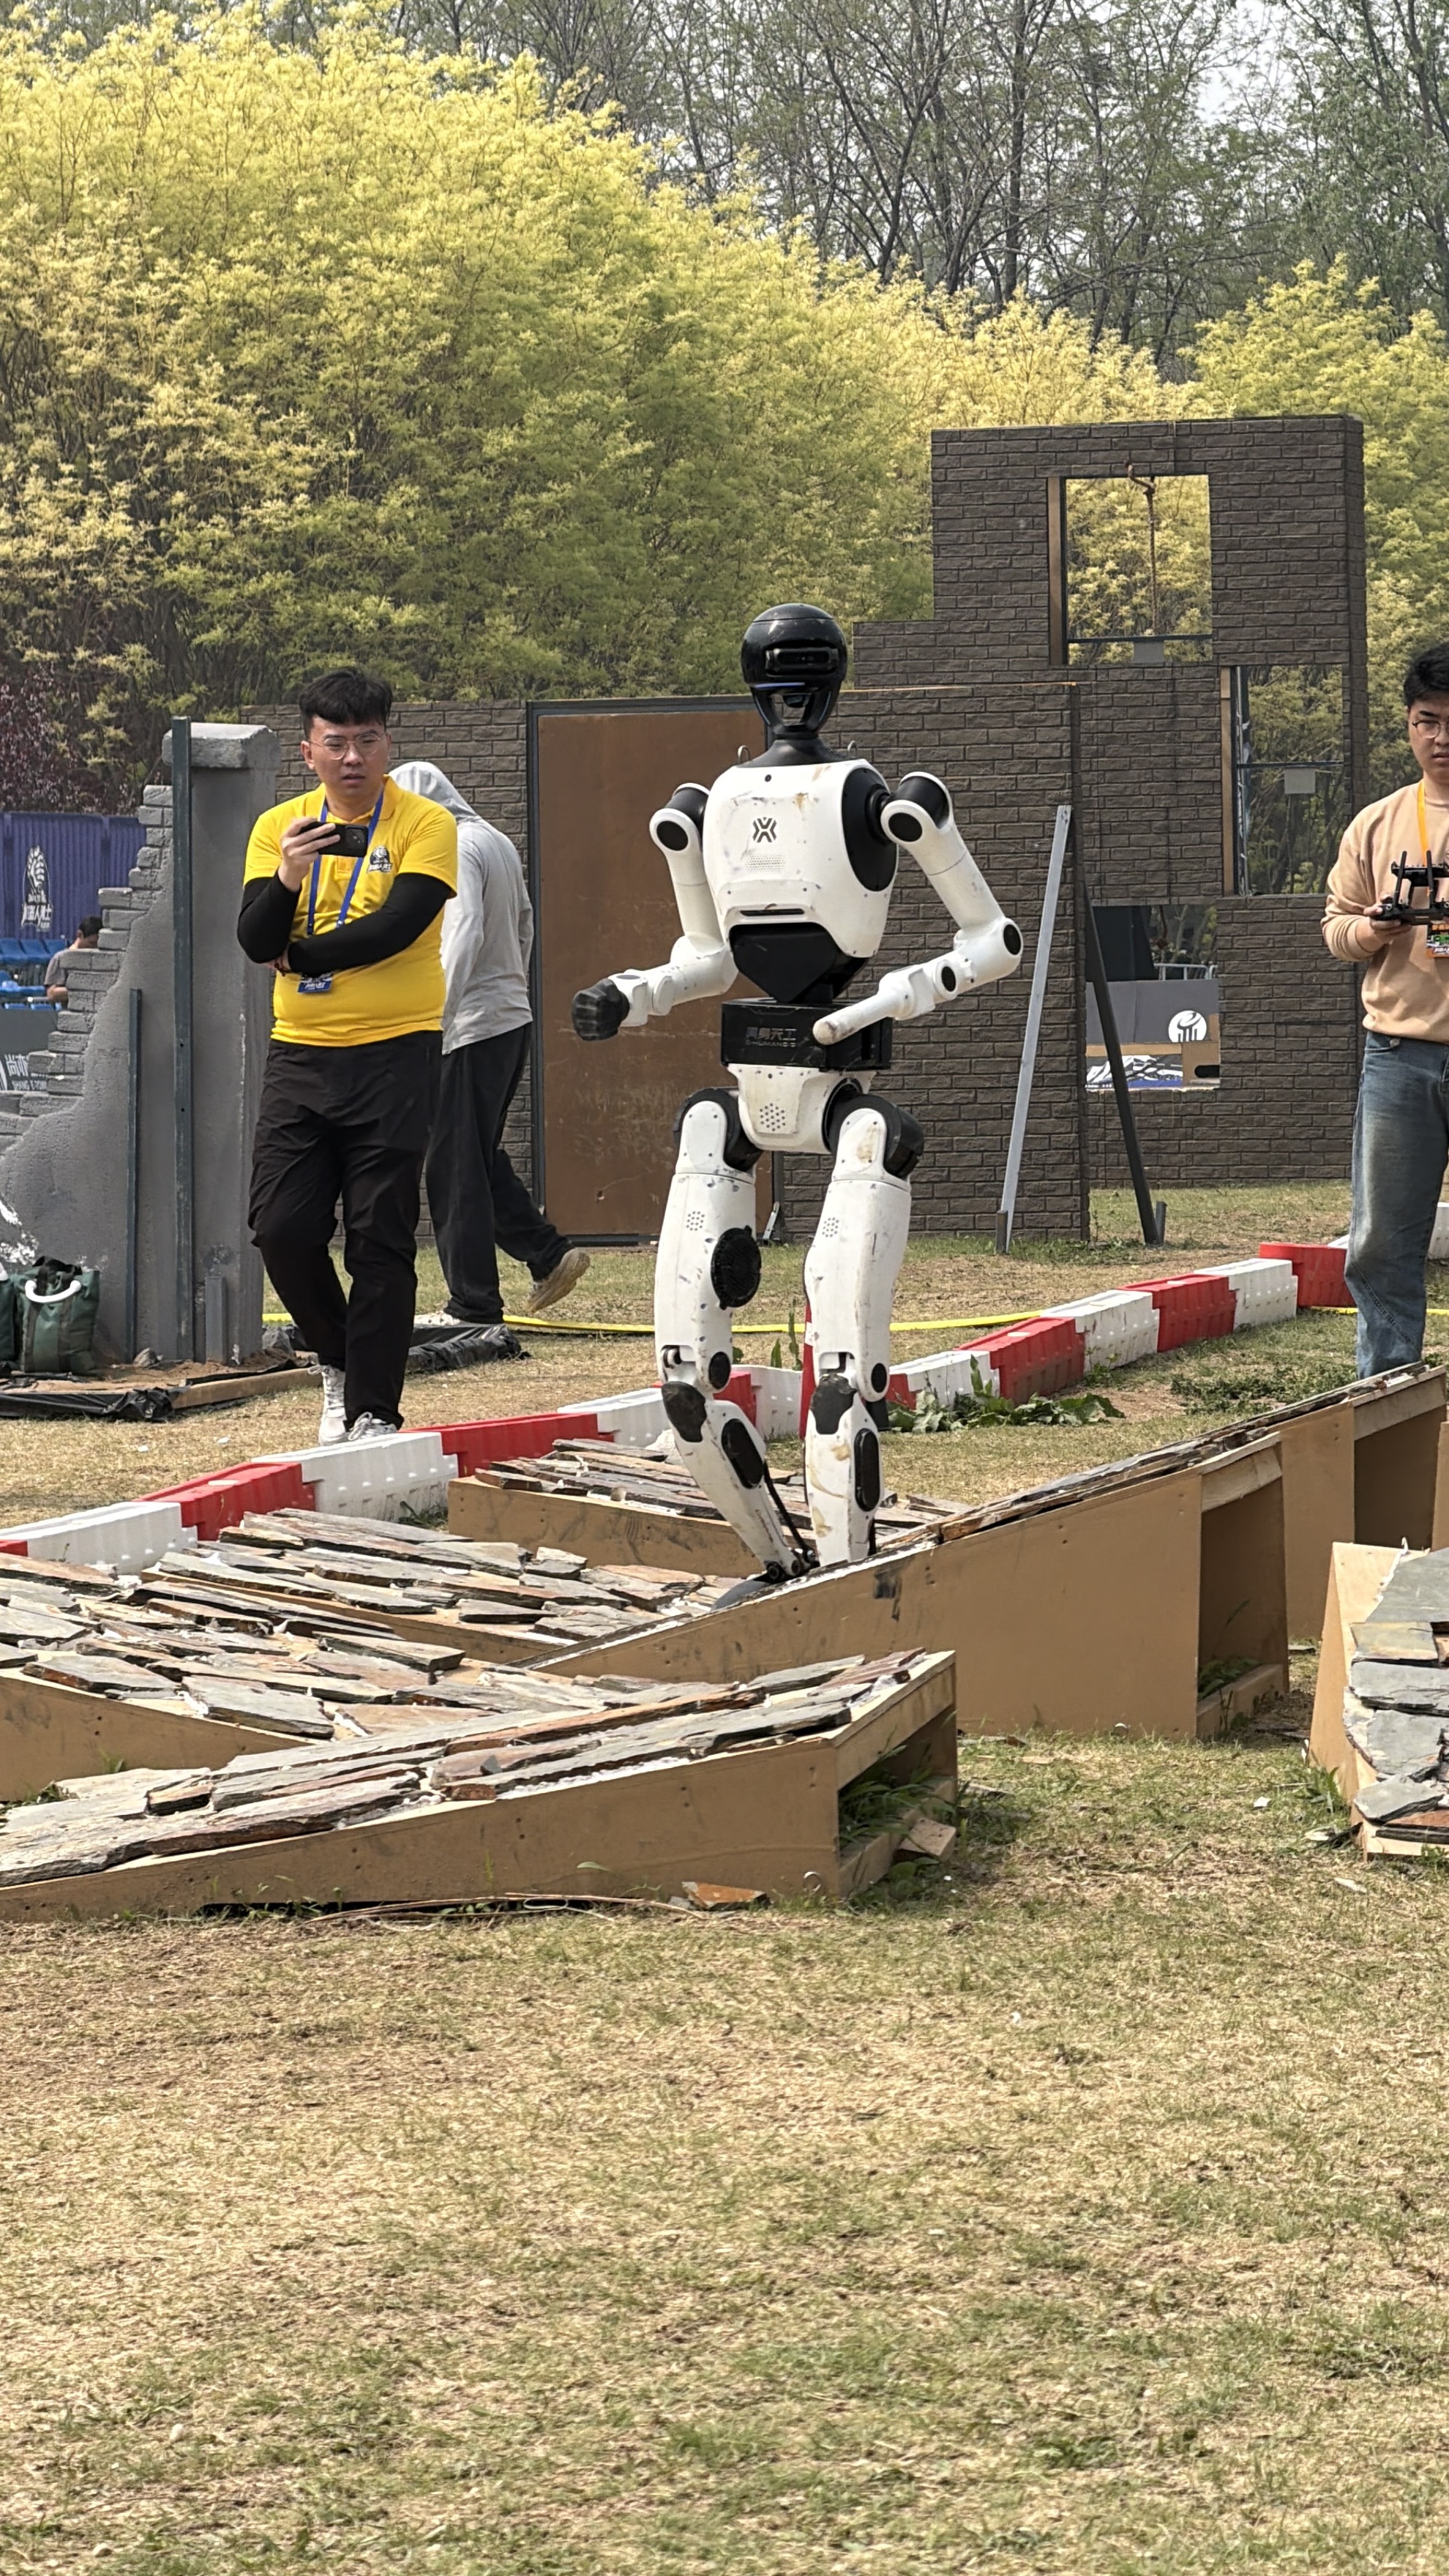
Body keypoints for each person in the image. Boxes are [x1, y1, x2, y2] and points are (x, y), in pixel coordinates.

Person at [237, 669, 458, 1445]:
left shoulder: (425, 823)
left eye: (368, 740)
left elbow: (399, 924)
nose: (354, 757)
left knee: (380, 1236)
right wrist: (288, 877)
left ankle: (374, 1410)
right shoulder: (279, 828)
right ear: (310, 751)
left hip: (398, 1051)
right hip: (301, 1054)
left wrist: (300, 955)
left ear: (388, 743)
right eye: (337, 743)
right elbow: (253, 939)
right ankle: (336, 1358)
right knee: (280, 1228)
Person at [392, 760, 588, 1333]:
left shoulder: (450, 843)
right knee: (475, 1156)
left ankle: (472, 1305)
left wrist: (436, 1018)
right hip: (507, 1018)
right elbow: (523, 924)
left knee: (452, 1166)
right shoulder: (495, 840)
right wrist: (512, 989)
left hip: (468, 1026)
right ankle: (548, 1254)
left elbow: (464, 929)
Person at [1325, 641, 1449, 1376]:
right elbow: (1335, 927)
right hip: (1399, 1057)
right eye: (1427, 721)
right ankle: (1388, 1396)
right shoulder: (1378, 823)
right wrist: (1373, 929)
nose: (1442, 739)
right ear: (1407, 726)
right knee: (1379, 1242)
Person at [45, 915, 101, 1000]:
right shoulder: (61, 958)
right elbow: (51, 994)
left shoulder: (101, 957)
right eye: (91, 943)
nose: (94, 948)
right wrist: (82, 990)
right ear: (80, 935)